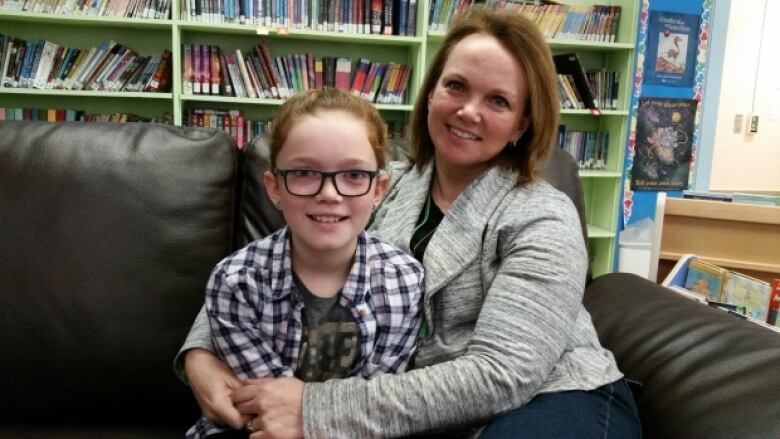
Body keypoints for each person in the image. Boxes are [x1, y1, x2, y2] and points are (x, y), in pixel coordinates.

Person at [176, 6, 641, 438]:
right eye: (456, 86)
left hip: (553, 396)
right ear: (432, 91)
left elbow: (504, 374)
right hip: (415, 408)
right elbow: (271, 264)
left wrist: (316, 409)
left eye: (498, 100)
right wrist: (200, 353)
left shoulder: (542, 214)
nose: (468, 111)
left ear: (522, 123)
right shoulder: (375, 183)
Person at [184, 88, 424, 438]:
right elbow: (266, 405)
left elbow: (375, 404)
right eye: (304, 173)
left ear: (379, 190)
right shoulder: (236, 282)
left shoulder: (404, 281)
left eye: (354, 175)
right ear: (274, 187)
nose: (329, 194)